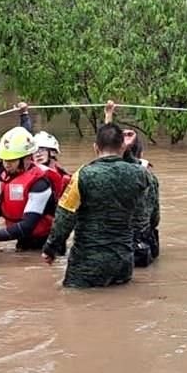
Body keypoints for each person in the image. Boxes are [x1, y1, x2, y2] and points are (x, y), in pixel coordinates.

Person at [41, 123, 153, 288]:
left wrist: (51, 248)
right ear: (123, 146)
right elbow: (146, 218)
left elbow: (64, 217)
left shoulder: (83, 175)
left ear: (95, 148)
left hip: (87, 265)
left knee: (73, 305)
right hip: (123, 262)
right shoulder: (141, 175)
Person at [0, 126, 62, 255]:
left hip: (44, 246)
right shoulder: (6, 177)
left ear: (27, 158)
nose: (6, 164)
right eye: (4, 160)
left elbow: (27, 225)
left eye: (12, 160)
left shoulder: (40, 183)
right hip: (22, 241)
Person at [104, 100, 160, 265]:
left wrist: (108, 117)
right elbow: (109, 147)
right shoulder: (109, 168)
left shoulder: (145, 175)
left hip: (134, 244)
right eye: (122, 135)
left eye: (129, 134)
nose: (124, 137)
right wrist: (108, 116)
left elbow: (154, 218)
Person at [15, 102, 71, 194]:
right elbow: (25, 135)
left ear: (52, 152)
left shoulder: (64, 177)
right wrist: (23, 114)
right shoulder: (26, 169)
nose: (38, 154)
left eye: (42, 150)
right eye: (35, 151)